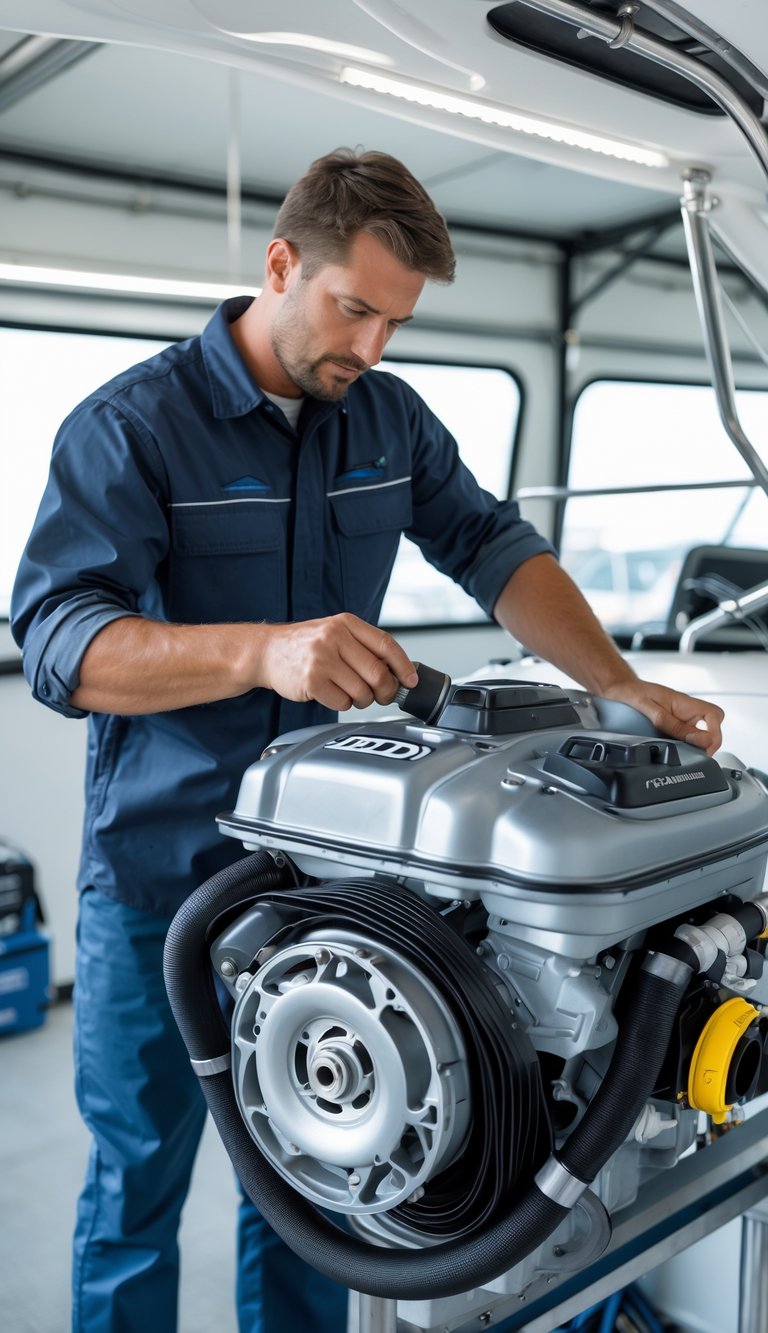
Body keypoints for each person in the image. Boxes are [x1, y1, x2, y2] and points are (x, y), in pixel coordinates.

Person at [11, 147, 724, 1333]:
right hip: (159, 890)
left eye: (397, 322)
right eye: (356, 310)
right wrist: (261, 650)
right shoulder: (131, 429)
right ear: (282, 264)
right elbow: (61, 646)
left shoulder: (384, 418)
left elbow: (495, 547)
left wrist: (617, 684)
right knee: (137, 1192)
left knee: (321, 1180)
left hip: (335, 893)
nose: (374, 348)